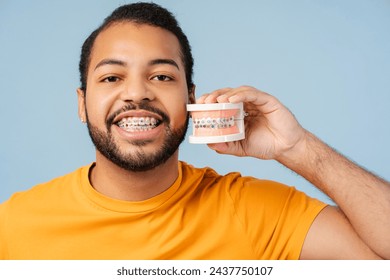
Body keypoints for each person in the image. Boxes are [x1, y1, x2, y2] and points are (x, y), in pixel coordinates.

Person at [0, 2, 389, 260]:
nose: (136, 93)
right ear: (82, 104)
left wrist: (298, 147)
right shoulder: (13, 225)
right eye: (112, 77)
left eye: (161, 75)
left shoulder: (255, 212)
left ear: (190, 98)